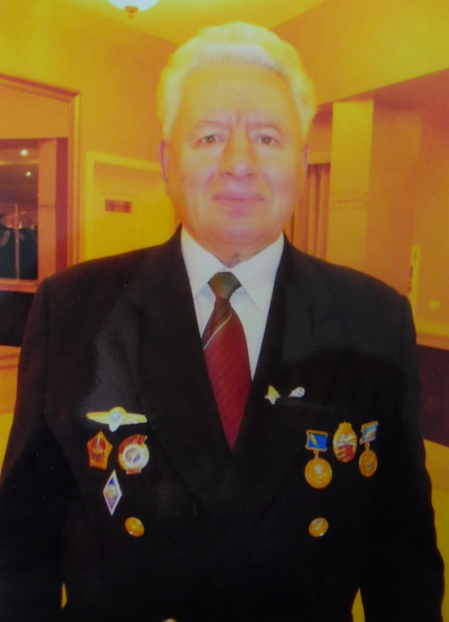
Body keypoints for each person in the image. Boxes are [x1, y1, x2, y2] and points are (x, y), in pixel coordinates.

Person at [0, 21, 444, 622]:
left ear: (301, 162)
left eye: (266, 137)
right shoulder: (73, 308)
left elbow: (402, 558)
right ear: (167, 161)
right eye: (209, 137)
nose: (239, 164)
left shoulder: (373, 318)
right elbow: (20, 545)